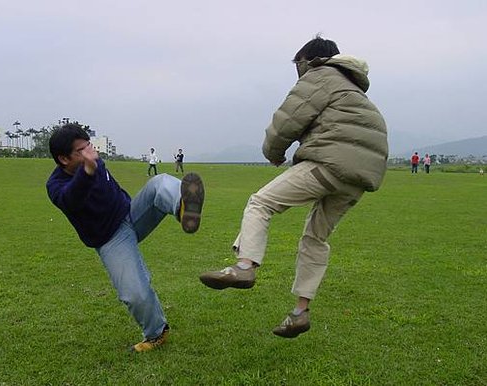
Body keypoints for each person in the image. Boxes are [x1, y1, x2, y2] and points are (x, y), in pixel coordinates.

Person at [199, 36, 388, 339]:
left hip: (329, 164)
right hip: (359, 179)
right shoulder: (355, 91)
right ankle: (300, 313)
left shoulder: (320, 75)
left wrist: (274, 154)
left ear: (307, 60)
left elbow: (286, 121)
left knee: (261, 202)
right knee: (316, 238)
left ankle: (244, 266)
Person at [46, 124, 205, 352]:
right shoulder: (56, 186)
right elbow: (73, 200)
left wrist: (90, 165)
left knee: (159, 184)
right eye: (82, 150)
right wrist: (88, 171)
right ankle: (157, 333)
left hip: (132, 214)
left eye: (90, 145)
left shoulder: (94, 161)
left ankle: (182, 205)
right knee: (134, 293)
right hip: (110, 239)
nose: (91, 152)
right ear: (63, 159)